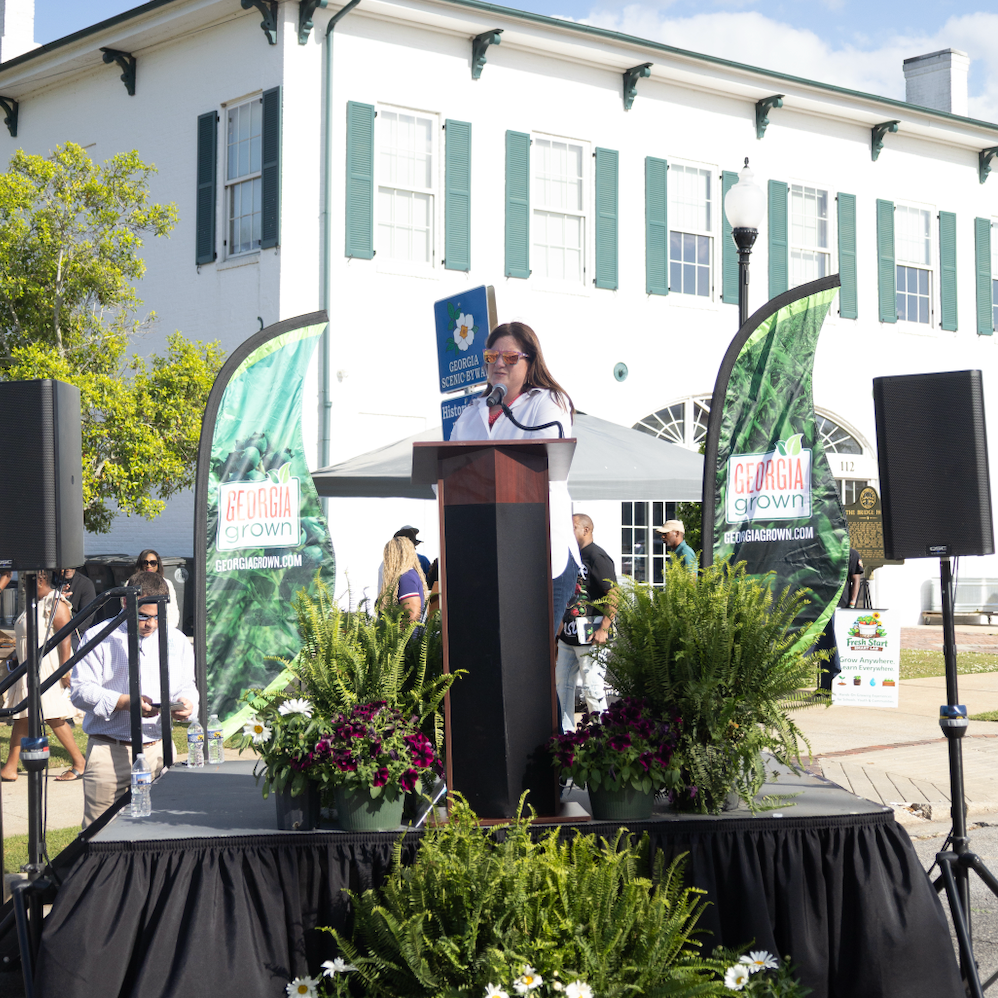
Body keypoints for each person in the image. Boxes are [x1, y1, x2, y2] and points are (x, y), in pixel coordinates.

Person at [449, 321, 581, 633]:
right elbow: (443, 475)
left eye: (509, 357)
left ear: (530, 361)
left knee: (529, 659)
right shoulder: (470, 413)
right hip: (485, 553)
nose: (498, 364)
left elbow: (544, 466)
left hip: (539, 553)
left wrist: (477, 479)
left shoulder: (548, 402)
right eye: (490, 356)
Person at [70, 571, 198, 827]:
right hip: (109, 752)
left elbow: (187, 685)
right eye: (143, 615)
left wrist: (186, 703)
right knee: (99, 832)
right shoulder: (100, 636)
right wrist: (125, 702)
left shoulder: (176, 640)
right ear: (126, 602)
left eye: (156, 616)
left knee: (160, 829)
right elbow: (80, 691)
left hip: (159, 750)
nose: (150, 623)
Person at [1, 571, 88, 783]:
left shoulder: (55, 603)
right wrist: (15, 655)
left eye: (25, 581)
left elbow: (65, 638)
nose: (22, 586)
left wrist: (65, 669)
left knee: (52, 715)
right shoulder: (34, 603)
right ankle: (10, 768)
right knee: (24, 715)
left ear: (39, 580)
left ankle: (80, 762)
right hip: (26, 668)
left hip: (46, 668)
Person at [555, 514, 617, 733]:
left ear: (586, 529)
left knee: (591, 686)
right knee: (562, 685)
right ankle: (566, 736)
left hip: (591, 633)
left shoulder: (597, 557)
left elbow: (614, 594)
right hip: (568, 635)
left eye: (572, 527)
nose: (568, 531)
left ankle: (602, 737)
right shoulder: (569, 556)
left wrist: (604, 629)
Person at [816, 547, 865, 690]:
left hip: (841, 607)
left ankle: (840, 687)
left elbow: (856, 578)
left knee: (839, 648)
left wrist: (852, 603)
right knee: (825, 648)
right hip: (823, 607)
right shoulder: (821, 551)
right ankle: (825, 687)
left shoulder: (851, 553)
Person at [377, 536, 427, 622]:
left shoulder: (406, 578)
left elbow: (412, 616)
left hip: (402, 635)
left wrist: (397, 635)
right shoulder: (405, 576)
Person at [135, 549, 180, 630]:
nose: (149, 566)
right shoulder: (132, 582)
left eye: (153, 563)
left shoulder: (167, 583)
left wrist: (168, 628)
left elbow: (172, 609)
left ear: (158, 565)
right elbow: (126, 607)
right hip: (139, 628)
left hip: (162, 629)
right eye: (145, 562)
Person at [60, 566, 98, 639]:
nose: (68, 569)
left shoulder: (85, 584)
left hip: (74, 632)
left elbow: (86, 618)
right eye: (64, 565)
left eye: (71, 565)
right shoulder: (47, 583)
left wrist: (65, 633)